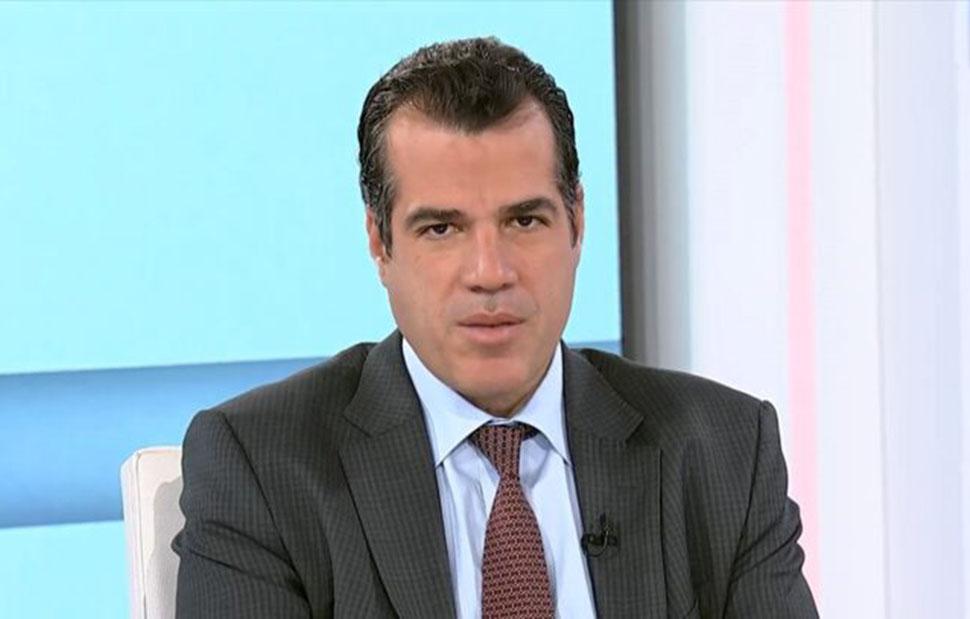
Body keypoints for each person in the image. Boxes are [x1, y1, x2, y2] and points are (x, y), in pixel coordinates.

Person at [173, 37, 818, 618]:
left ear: (577, 222)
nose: (490, 272)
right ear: (379, 242)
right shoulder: (263, 467)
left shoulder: (725, 450)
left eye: (524, 221)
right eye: (442, 229)